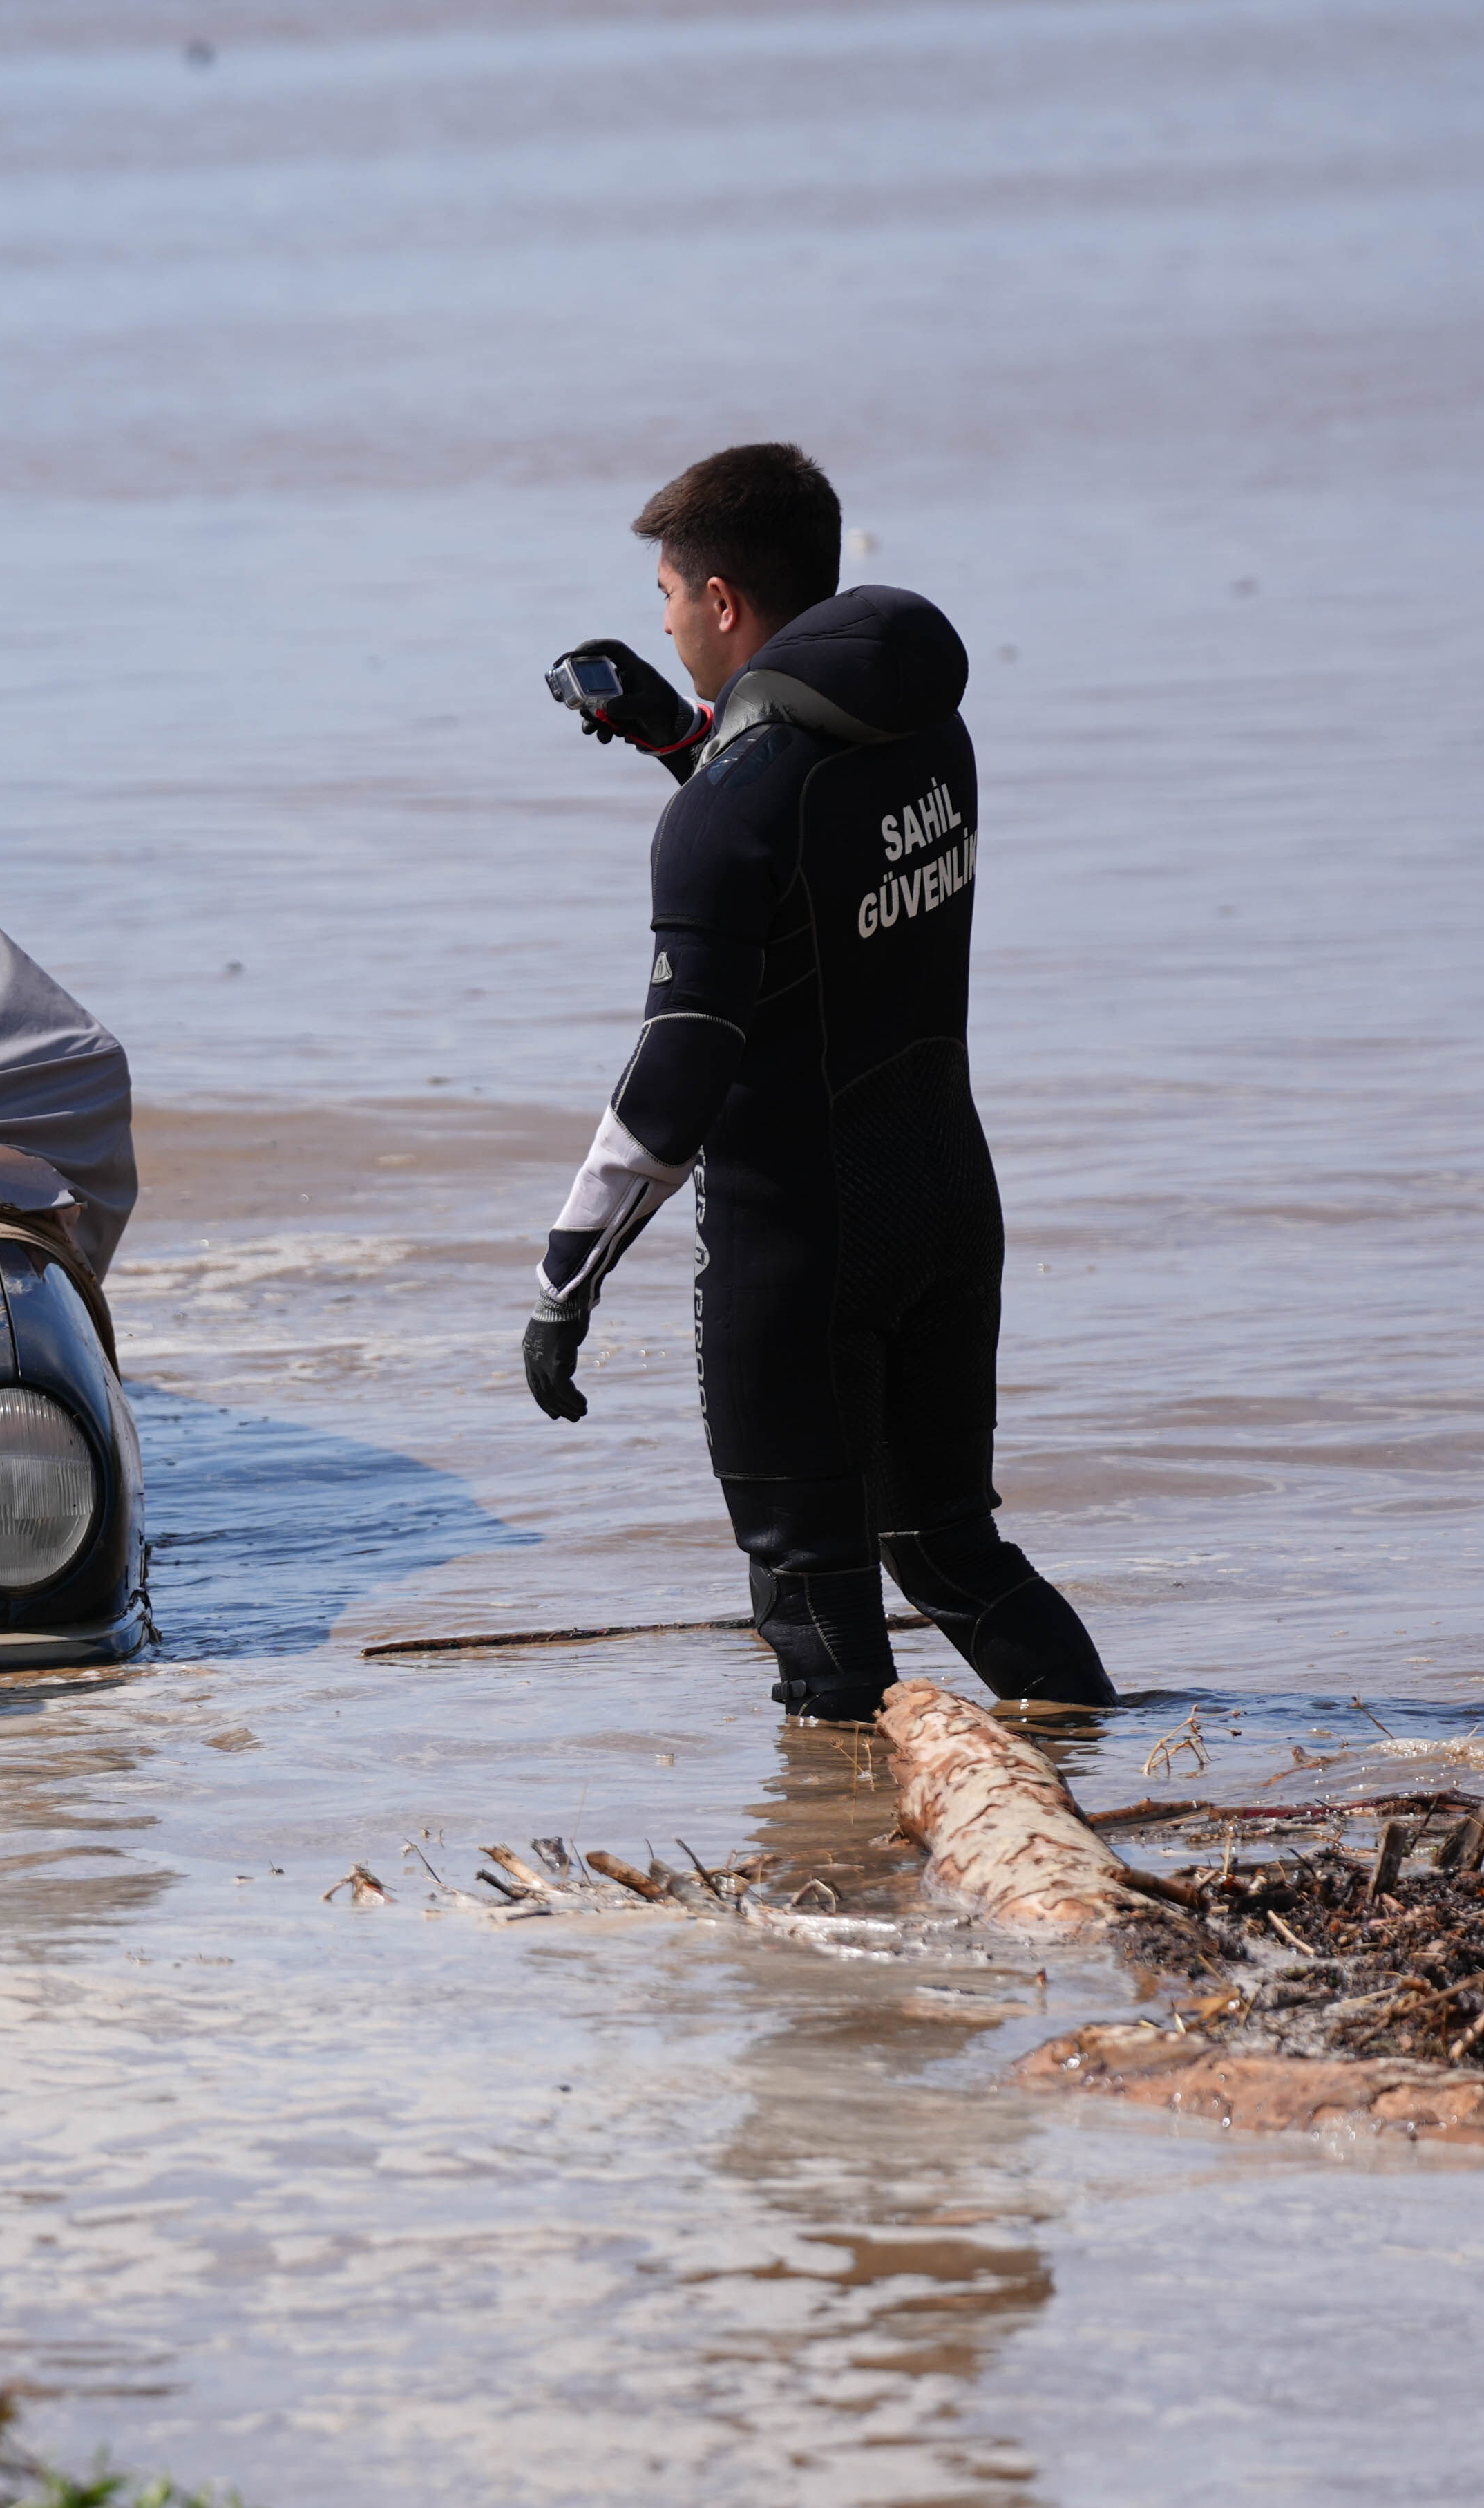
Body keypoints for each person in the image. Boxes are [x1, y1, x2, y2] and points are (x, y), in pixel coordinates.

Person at [524, 442, 1112, 1723]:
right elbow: (817, 865)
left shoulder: (724, 819)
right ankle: (1106, 1772)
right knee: (952, 1552)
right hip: (944, 1200)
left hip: (799, 1236)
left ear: (723, 601)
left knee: (811, 1600)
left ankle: (842, 1902)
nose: (666, 625)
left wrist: (564, 1280)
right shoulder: (928, 730)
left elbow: (681, 1067)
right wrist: (685, 737)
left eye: (671, 600)